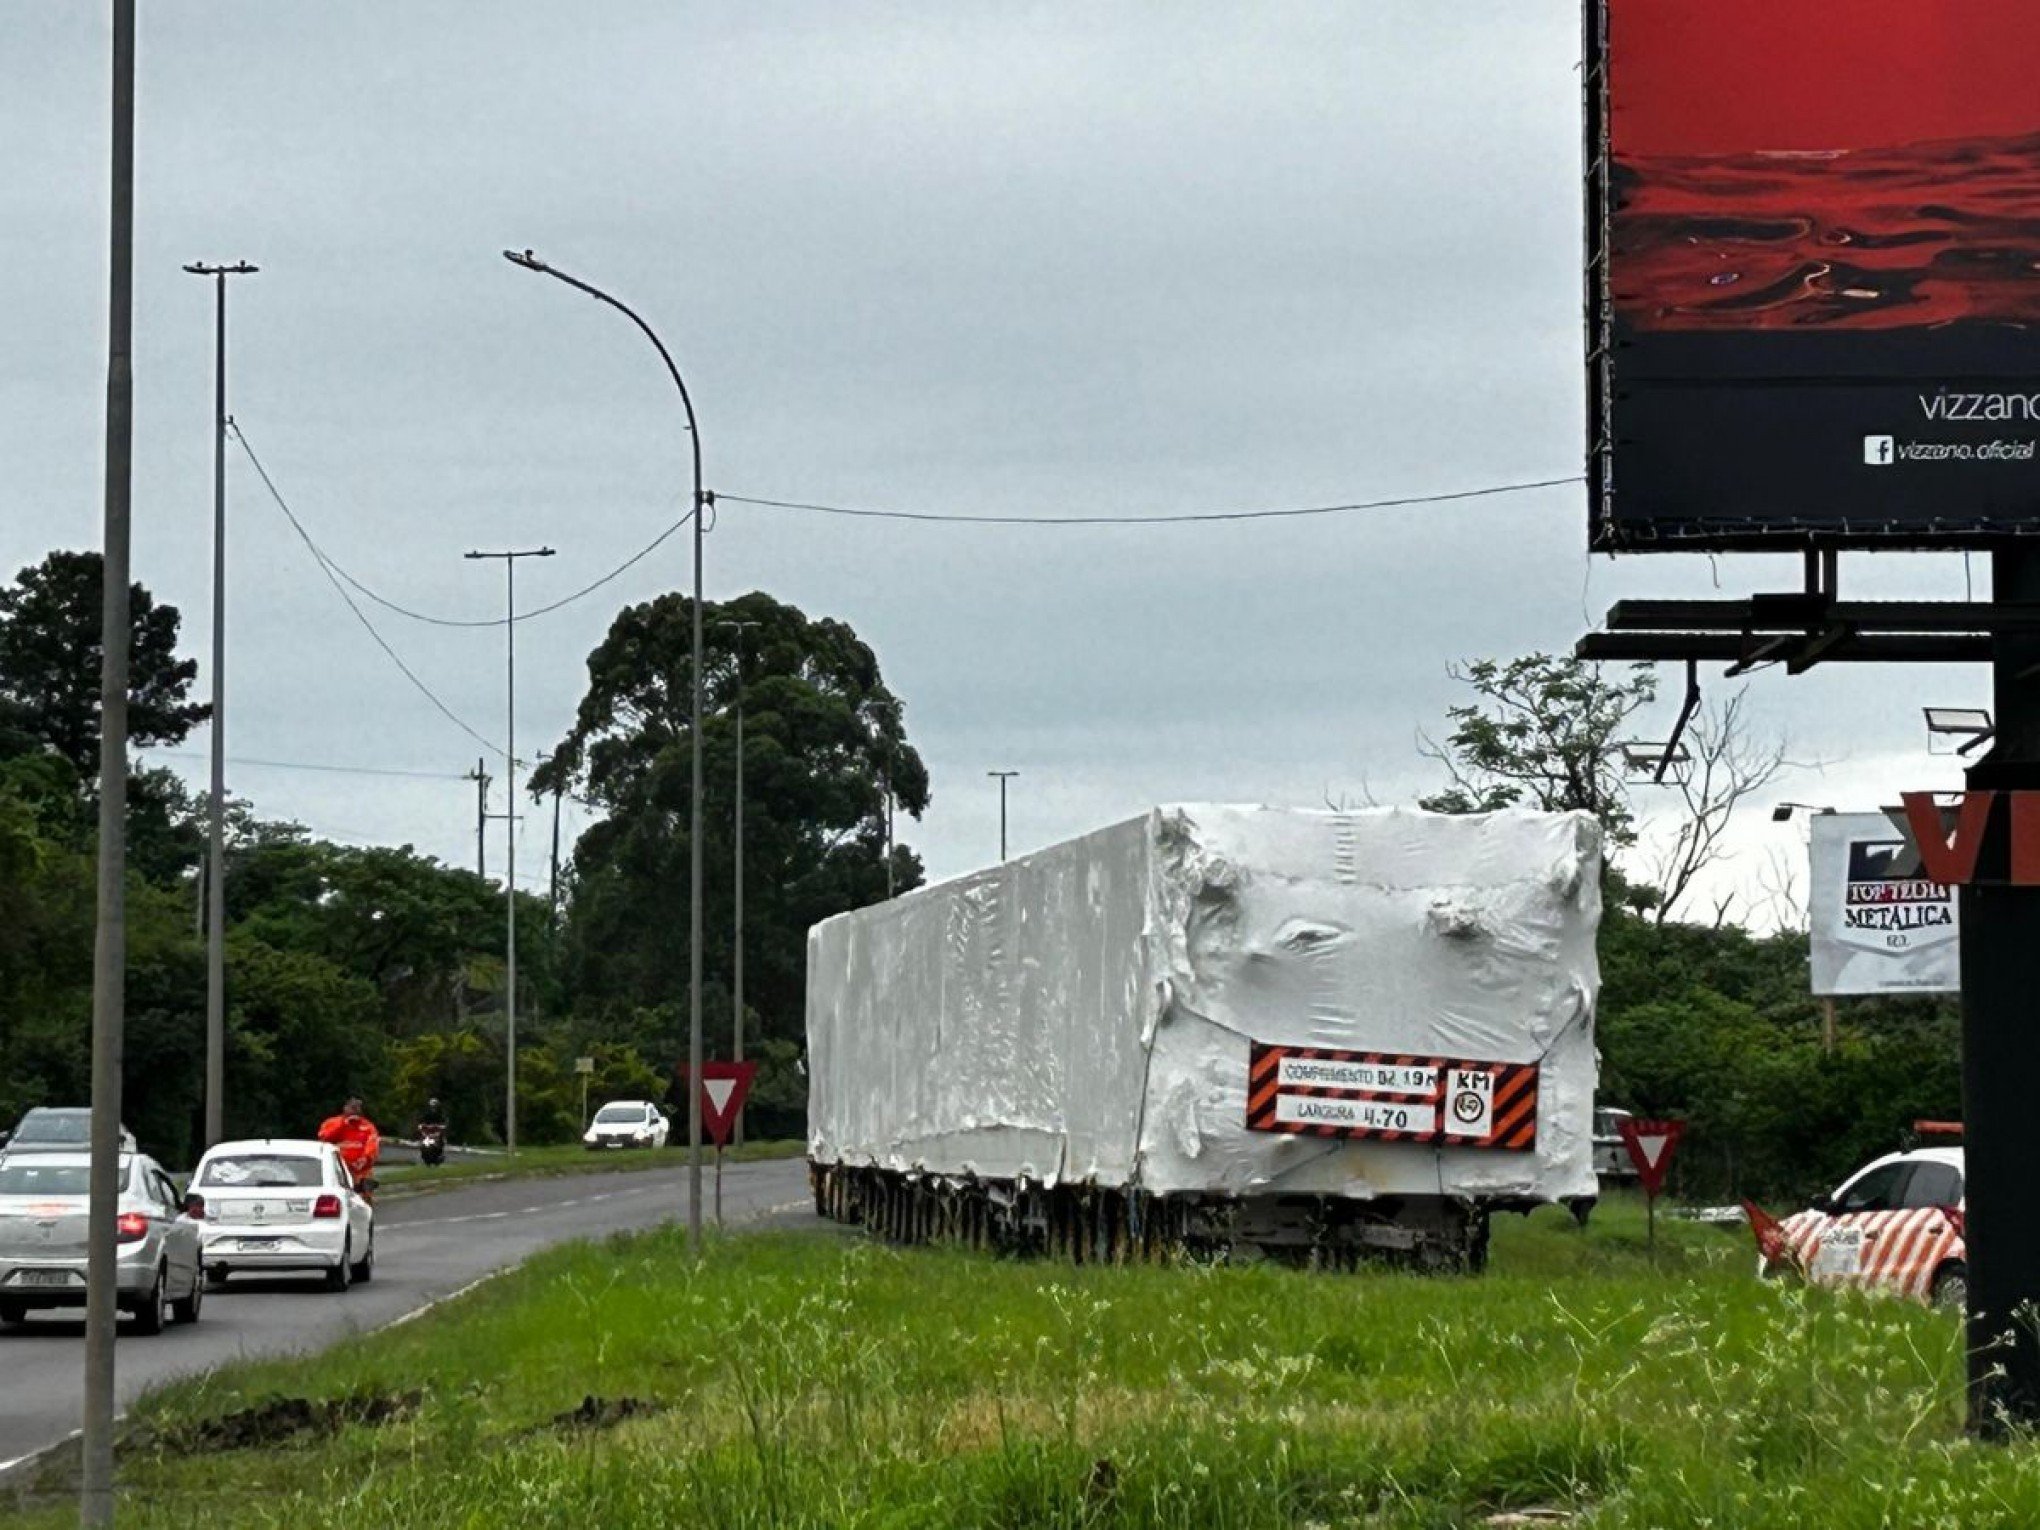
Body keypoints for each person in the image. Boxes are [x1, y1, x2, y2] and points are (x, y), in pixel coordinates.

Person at [317, 1096, 381, 1191]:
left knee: (363, 1200)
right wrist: (343, 1124)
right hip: (336, 1170)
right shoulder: (331, 1123)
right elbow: (324, 1138)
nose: (355, 1110)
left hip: (361, 1172)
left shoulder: (368, 1126)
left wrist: (365, 1158)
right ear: (345, 1107)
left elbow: (373, 1144)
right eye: (352, 1107)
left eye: (357, 1107)